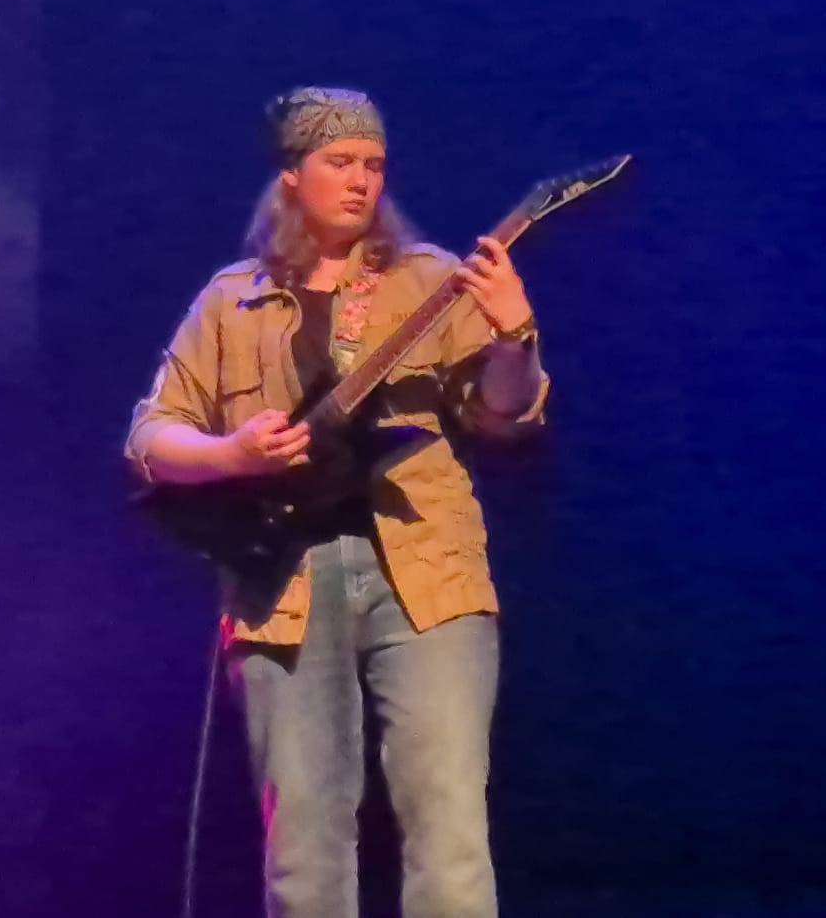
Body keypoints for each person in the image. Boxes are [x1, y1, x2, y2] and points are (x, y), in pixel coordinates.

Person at [125, 87, 549, 918]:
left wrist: (514, 336)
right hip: (283, 584)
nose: (361, 180)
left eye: (374, 165)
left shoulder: (429, 281)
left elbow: (506, 416)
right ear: (292, 174)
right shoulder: (232, 299)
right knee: (304, 847)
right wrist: (231, 453)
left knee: (449, 832)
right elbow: (150, 437)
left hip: (427, 573)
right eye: (340, 162)